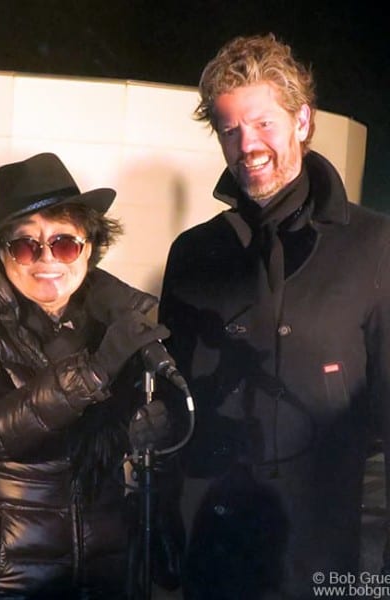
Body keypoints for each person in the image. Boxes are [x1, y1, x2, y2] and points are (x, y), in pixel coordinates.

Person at [158, 33, 390, 599]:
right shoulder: (193, 252)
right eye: (230, 129)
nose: (247, 144)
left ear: (302, 121)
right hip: (208, 551)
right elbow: (170, 403)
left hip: (320, 551)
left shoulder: (374, 244)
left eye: (263, 123)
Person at [0, 152, 182, 599]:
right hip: (2, 575)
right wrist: (97, 368)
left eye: (64, 243)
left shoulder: (119, 322)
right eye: (26, 245)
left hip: (103, 569)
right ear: (3, 254)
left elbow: (118, 437)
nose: (46, 260)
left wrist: (145, 426)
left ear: (90, 247)